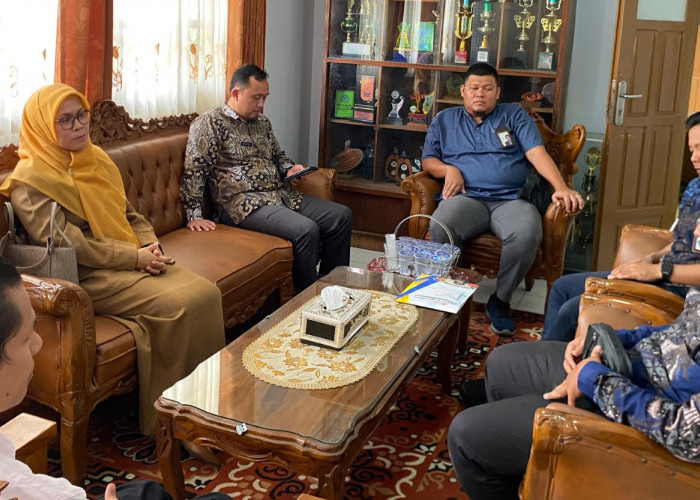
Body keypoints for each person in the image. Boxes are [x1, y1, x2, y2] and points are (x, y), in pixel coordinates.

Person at [0, 83, 225, 435]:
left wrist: (150, 245)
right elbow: (71, 245)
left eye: (82, 115)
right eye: (65, 120)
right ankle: (171, 425)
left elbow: (129, 213)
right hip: (87, 276)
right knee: (183, 304)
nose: (79, 125)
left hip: (130, 258)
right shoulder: (30, 183)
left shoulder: (95, 159)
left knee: (207, 293)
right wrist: (132, 258)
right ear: (42, 125)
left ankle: (206, 410)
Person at [0, 258, 228, 499]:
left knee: (147, 491)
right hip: (99, 266)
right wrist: (132, 256)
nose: (37, 343)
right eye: (25, 337)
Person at [447, 287, 700, 500]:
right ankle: (524, 468)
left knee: (467, 434)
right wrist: (613, 339)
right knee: (502, 363)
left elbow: (688, 434)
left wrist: (593, 378)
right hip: (626, 367)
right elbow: (680, 331)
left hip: (640, 414)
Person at [421, 62, 583, 336]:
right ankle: (447, 291)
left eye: (487, 88)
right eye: (474, 88)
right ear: (463, 91)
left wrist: (560, 187)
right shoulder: (444, 120)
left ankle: (501, 300)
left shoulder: (514, 115)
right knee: (442, 225)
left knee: (527, 232)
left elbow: (536, 152)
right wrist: (449, 170)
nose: (479, 93)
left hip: (511, 200)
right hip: (466, 198)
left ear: (497, 92)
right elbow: (428, 161)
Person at [180, 64, 353, 293]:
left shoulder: (262, 123)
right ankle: (307, 299)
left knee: (341, 216)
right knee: (305, 230)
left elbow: (278, 156)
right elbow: (195, 169)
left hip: (280, 195)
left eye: (265, 97)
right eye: (256, 97)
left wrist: (289, 169)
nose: (261, 104)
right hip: (241, 204)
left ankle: (334, 289)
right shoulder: (209, 123)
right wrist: (193, 215)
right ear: (236, 93)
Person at [541, 110, 700, 342]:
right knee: (562, 287)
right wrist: (651, 258)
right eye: (691, 150)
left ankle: (552, 361)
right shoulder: (695, 186)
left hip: (683, 289)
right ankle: (545, 355)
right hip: (663, 273)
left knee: (573, 309)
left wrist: (658, 271)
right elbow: (680, 240)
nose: (694, 157)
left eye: (699, 148)